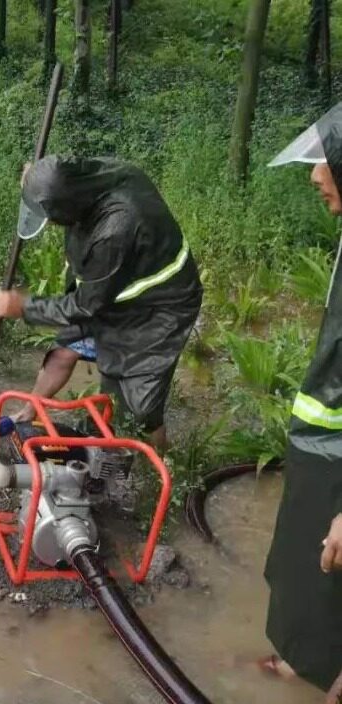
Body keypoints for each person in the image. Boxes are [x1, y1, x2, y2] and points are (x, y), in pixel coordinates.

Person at [0, 156, 203, 452]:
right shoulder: (89, 180)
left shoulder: (117, 226)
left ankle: (158, 470)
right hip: (111, 287)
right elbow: (54, 174)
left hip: (159, 307)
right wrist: (32, 176)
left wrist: (24, 307)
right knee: (63, 351)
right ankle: (30, 411)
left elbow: (86, 305)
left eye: (51, 218)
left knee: (141, 406)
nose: (51, 224)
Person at [258, 103, 342, 697]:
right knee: (303, 570)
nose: (315, 174)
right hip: (323, 452)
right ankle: (298, 664)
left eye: (328, 162)